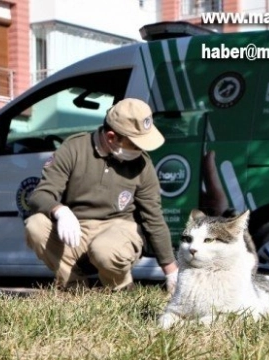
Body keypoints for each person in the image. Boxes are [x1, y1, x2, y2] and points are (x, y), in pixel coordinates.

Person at [24, 98, 179, 292]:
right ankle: (73, 288)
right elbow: (40, 195)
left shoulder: (142, 165)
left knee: (104, 249)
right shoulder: (74, 149)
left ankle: (121, 291)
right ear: (112, 137)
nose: (141, 151)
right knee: (36, 225)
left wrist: (171, 272)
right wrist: (60, 211)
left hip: (119, 228)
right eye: (136, 144)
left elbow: (153, 218)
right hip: (77, 228)